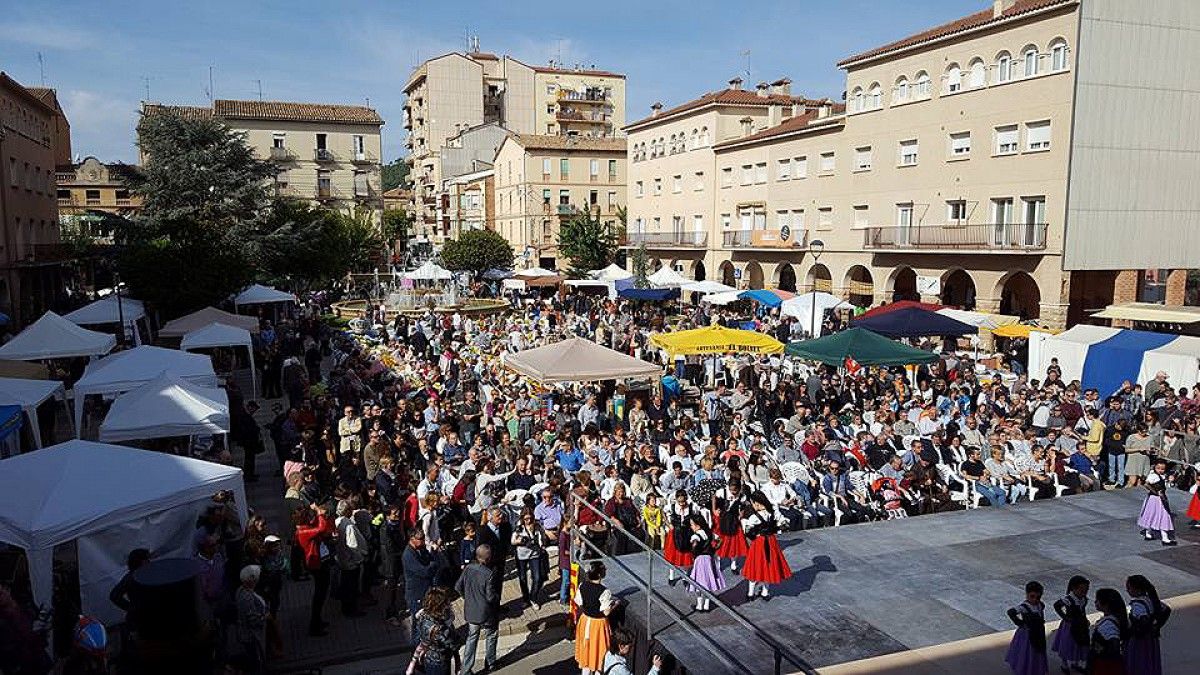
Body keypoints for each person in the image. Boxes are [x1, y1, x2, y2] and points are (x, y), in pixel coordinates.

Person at [455, 544, 499, 675]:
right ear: (488, 558)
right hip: (486, 612)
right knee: (491, 635)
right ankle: (490, 663)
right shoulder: (488, 574)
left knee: (471, 639)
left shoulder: (468, 568)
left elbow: (458, 586)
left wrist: (466, 597)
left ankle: (466, 669)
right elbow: (490, 597)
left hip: (471, 610)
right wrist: (497, 597)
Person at [740, 490, 792, 601]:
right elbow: (783, 521)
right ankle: (765, 592)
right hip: (771, 542)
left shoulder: (754, 517)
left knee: (755, 568)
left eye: (753, 503)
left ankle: (750, 593)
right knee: (769, 567)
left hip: (759, 543)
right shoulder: (773, 512)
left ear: (757, 503)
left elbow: (747, 531)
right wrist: (780, 526)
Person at [294, 504, 334, 636]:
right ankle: (314, 625)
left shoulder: (306, 527)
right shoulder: (302, 532)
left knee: (322, 592)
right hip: (316, 565)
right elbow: (321, 528)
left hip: (320, 561)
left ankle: (318, 620)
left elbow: (317, 525)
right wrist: (319, 512)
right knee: (319, 594)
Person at [574, 561, 619, 675]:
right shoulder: (605, 591)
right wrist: (615, 604)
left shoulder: (582, 585)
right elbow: (606, 612)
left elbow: (579, 602)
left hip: (584, 621)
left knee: (586, 652)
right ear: (599, 575)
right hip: (598, 625)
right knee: (599, 653)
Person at [402, 530, 444, 642]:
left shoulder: (421, 549)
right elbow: (424, 571)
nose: (423, 542)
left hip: (426, 591)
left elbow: (431, 561)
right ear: (412, 540)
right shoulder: (408, 555)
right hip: (416, 595)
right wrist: (432, 565)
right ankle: (416, 649)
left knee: (426, 621)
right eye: (420, 539)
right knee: (417, 624)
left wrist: (432, 564)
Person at [1125, 575, 1170, 675]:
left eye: (1129, 587)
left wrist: (1142, 629)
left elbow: (1143, 619)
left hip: (1140, 641)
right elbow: (1166, 610)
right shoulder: (1150, 600)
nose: (1127, 590)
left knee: (1139, 664)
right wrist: (1157, 626)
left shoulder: (1137, 604)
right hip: (1151, 639)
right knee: (1150, 662)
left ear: (1136, 589)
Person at [410, 587, 460, 675]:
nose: (450, 604)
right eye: (447, 603)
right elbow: (454, 644)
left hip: (428, 657)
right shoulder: (440, 629)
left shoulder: (422, 616)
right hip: (440, 662)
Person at [1005, 580, 1048, 675]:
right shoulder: (1024, 607)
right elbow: (1011, 612)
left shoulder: (1040, 605)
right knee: (1026, 652)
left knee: (1038, 651)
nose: (1035, 600)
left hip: (1038, 633)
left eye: (1038, 597)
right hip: (1027, 635)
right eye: (1032, 596)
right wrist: (1020, 623)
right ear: (1027, 594)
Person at [232, 565, 268, 675]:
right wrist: (264, 618)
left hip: (248, 633)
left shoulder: (241, 590)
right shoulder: (247, 598)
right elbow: (252, 619)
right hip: (251, 635)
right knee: (256, 660)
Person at [1050, 575, 1090, 675]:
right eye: (1081, 590)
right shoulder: (1069, 599)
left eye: (1085, 590)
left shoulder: (1083, 598)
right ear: (1074, 588)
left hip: (1081, 624)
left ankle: (1076, 662)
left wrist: (1085, 619)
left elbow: (1082, 610)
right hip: (1070, 626)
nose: (1084, 592)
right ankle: (1064, 664)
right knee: (1067, 644)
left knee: (1080, 643)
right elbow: (1057, 606)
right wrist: (1065, 617)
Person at [686, 514, 725, 612]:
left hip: (700, 560)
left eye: (692, 524)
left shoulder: (696, 535)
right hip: (709, 559)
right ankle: (707, 606)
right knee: (708, 581)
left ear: (698, 525)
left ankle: (700, 606)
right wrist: (714, 549)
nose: (691, 526)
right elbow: (720, 539)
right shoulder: (709, 533)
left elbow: (694, 544)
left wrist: (694, 551)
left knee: (699, 582)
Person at [512, 508, 549, 610]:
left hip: (535, 554)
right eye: (526, 519)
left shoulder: (537, 526)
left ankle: (533, 598)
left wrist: (541, 544)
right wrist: (521, 541)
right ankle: (525, 599)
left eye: (530, 518)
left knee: (537, 578)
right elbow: (512, 541)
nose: (528, 521)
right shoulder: (519, 526)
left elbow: (542, 539)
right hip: (522, 555)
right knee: (523, 578)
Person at [1137, 460, 1177, 546]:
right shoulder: (1153, 476)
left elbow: (1164, 486)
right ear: (1155, 467)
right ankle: (1163, 538)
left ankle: (1150, 534)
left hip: (1158, 499)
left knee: (1153, 515)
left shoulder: (1161, 476)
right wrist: (1154, 491)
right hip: (1155, 499)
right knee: (1160, 516)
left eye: (1162, 469)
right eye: (1158, 468)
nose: (1160, 470)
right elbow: (1146, 484)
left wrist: (1169, 481)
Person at [1090, 588, 1129, 675]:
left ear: (1106, 605)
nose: (1095, 602)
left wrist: (1100, 650)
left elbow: (1114, 643)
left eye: (1097, 600)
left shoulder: (1108, 625)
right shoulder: (1114, 618)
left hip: (1105, 665)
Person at [663, 489, 697, 585]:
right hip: (674, 534)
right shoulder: (671, 507)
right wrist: (668, 524)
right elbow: (663, 512)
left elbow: (696, 518)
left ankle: (685, 577)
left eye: (683, 501)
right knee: (672, 556)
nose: (681, 504)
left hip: (686, 534)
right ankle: (671, 576)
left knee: (686, 556)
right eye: (679, 501)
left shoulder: (692, 507)